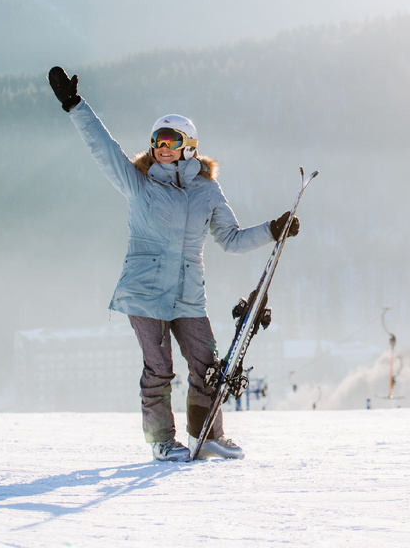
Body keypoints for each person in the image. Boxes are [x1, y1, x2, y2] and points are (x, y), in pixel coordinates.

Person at [48, 66, 299, 461]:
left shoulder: (207, 190)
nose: (162, 147)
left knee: (207, 364)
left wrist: (272, 229)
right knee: (159, 369)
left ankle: (207, 434)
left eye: (171, 140)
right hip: (145, 292)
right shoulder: (139, 183)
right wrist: (75, 105)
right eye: (157, 140)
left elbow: (231, 239)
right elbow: (104, 149)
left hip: (188, 294)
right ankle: (161, 440)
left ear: (189, 145)